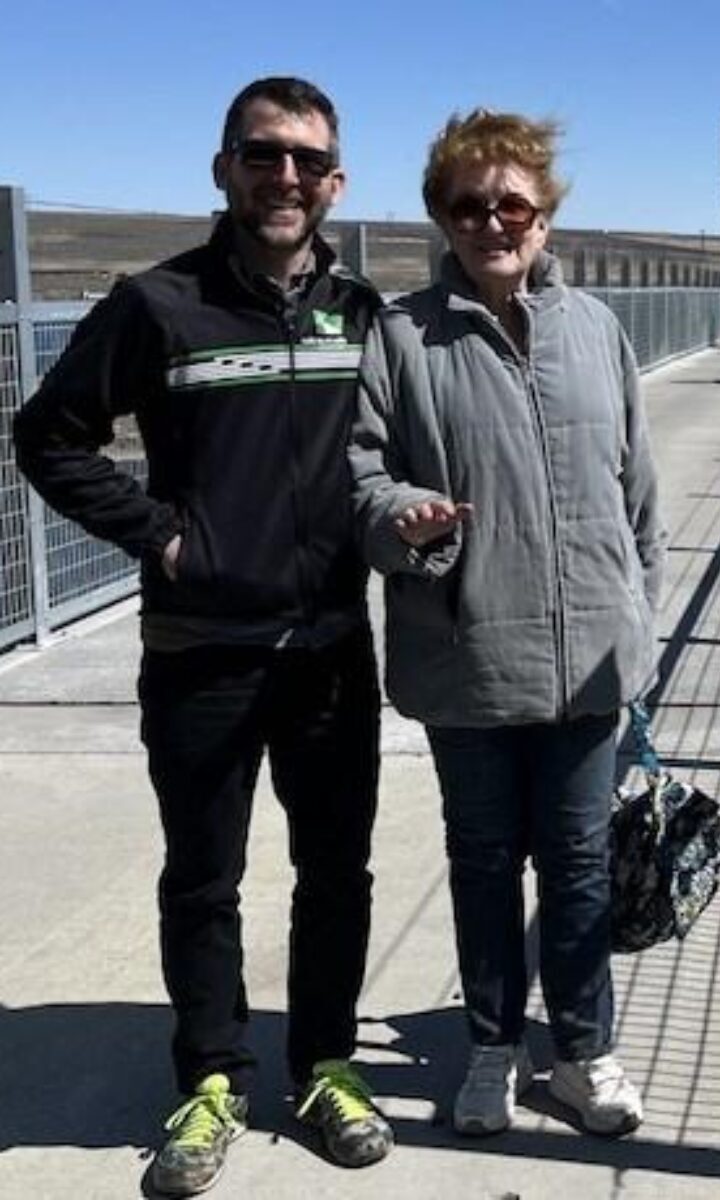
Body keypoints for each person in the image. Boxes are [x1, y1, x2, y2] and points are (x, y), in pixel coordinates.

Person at [12, 77, 392, 1196]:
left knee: (336, 873)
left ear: (336, 182)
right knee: (204, 878)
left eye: (309, 162)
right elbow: (49, 436)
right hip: (201, 651)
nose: (287, 179)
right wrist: (166, 541)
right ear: (223, 167)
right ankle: (212, 1075)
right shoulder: (157, 302)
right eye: (264, 155)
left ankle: (326, 1065)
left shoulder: (360, 310)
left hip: (329, 648)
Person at [348, 109, 664, 1140]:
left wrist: (637, 618)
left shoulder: (597, 330)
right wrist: (403, 518)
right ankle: (491, 1048)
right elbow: (360, 476)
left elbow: (641, 497)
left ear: (544, 214)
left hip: (586, 666)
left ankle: (582, 1054)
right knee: (485, 863)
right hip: (467, 654)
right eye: (468, 205)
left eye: (511, 204)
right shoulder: (401, 335)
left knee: (576, 869)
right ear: (442, 216)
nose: (492, 221)